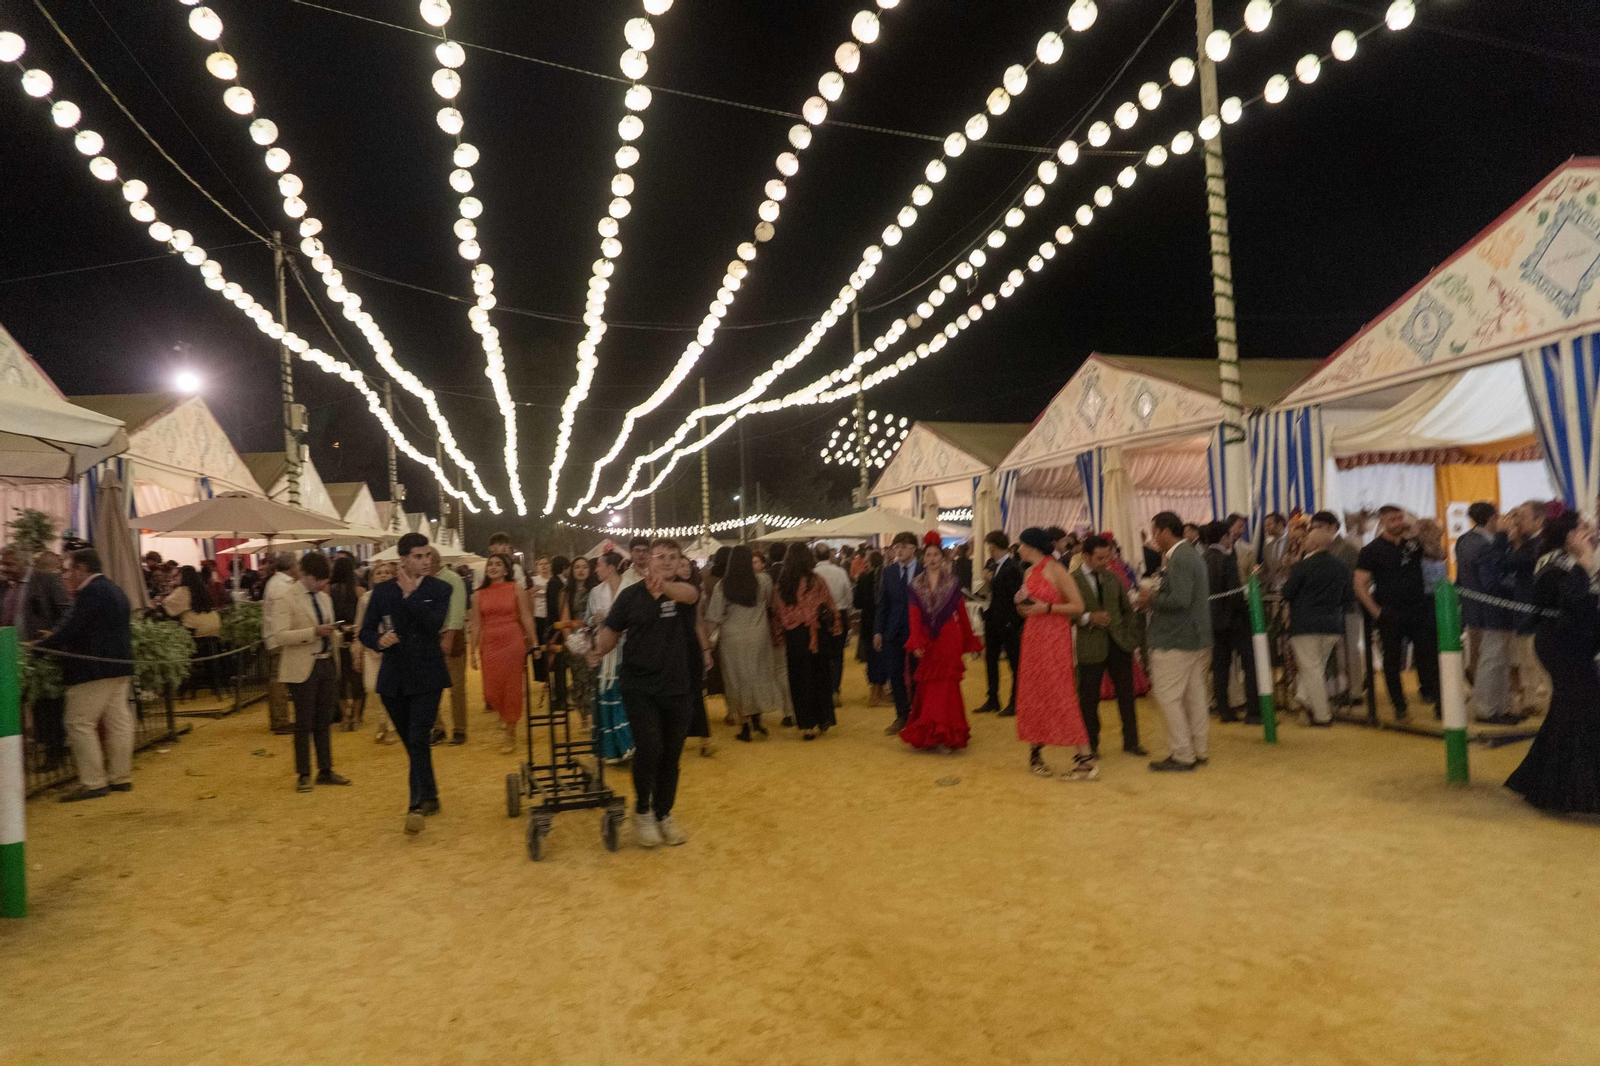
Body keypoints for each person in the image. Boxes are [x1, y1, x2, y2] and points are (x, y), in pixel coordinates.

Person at [588, 539, 699, 848]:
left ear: (679, 563)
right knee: (650, 747)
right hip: (638, 686)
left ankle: (664, 814)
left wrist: (664, 586)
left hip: (677, 686)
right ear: (648, 560)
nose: (666, 561)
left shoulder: (683, 593)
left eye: (672, 557)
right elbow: (611, 631)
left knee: (672, 755)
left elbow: (689, 595)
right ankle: (642, 812)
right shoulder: (630, 596)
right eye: (660, 556)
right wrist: (596, 650)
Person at [1504, 509, 1600, 814]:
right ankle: (1570, 792)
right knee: (1583, 710)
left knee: (1567, 712)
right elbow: (1574, 602)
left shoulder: (1566, 562)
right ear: (1569, 535)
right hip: (1563, 646)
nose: (1591, 530)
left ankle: (1543, 785)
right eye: (1584, 527)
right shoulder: (1554, 565)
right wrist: (1585, 561)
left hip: (1576, 644)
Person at [359, 532, 453, 835]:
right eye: (417, 556)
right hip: (394, 678)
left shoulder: (441, 588)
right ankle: (431, 795)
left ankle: (415, 806)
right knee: (414, 745)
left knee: (417, 738)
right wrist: (378, 639)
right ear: (403, 559)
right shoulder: (382, 591)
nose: (425, 561)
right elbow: (365, 631)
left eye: (427, 555)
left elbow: (433, 624)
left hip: (428, 675)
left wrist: (412, 595)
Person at [37, 549, 134, 801]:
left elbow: (73, 627)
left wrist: (44, 646)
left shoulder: (90, 592)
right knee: (118, 724)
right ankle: (120, 777)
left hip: (93, 669)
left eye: (67, 570)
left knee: (78, 723)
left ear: (82, 568)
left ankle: (93, 782)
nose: (65, 576)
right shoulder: (115, 589)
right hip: (119, 666)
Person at [1012, 528, 1097, 780]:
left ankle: (1086, 761)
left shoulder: (1056, 569)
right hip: (1033, 637)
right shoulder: (1028, 571)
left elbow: (1078, 606)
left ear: (1031, 546)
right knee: (1034, 692)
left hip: (1054, 639)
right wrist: (1022, 605)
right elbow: (1027, 611)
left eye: (1021, 544)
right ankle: (1036, 753)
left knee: (1061, 694)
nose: (1017, 548)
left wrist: (1046, 608)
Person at [266, 551, 350, 793]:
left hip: (325, 662)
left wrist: (339, 635)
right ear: (306, 575)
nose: (323, 584)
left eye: (325, 580)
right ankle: (303, 773)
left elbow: (329, 630)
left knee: (324, 720)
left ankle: (325, 769)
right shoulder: (286, 597)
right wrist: (313, 632)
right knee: (304, 722)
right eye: (319, 579)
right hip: (302, 666)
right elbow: (280, 635)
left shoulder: (324, 599)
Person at [1136, 512, 1214, 772]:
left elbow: (1180, 599)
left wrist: (1150, 599)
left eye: (1154, 532)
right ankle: (1198, 749)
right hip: (1194, 637)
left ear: (1165, 531)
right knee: (1194, 696)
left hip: (1176, 638)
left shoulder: (1179, 557)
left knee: (1168, 697)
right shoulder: (1190, 555)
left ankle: (1183, 753)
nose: (1153, 538)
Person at [1354, 504, 1440, 720]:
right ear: (1383, 521)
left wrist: (1418, 530)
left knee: (1429, 657)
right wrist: (1376, 612)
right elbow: (1360, 584)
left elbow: (1439, 554)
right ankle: (1399, 706)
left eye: (1400, 518)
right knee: (1392, 661)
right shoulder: (1371, 550)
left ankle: (1439, 703)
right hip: (1390, 613)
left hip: (1418, 610)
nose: (1398, 523)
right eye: (1393, 519)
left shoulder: (1412, 544)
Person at [899, 533, 982, 751]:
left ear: (942, 558)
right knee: (928, 686)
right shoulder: (915, 585)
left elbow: (962, 612)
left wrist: (969, 638)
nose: (933, 558)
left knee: (947, 685)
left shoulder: (953, 583)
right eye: (929, 555)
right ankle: (930, 733)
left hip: (949, 639)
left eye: (936, 554)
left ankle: (949, 733)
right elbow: (913, 615)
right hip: (927, 640)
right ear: (923, 558)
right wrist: (915, 641)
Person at [1072, 534, 1146, 756]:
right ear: (1086, 556)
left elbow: (1127, 611)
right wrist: (1087, 618)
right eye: (1100, 558)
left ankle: (1132, 742)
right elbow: (1066, 613)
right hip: (1090, 646)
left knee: (1127, 695)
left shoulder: (1113, 578)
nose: (1105, 562)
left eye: (1108, 557)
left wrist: (1131, 638)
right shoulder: (1072, 579)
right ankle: (1091, 745)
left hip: (1119, 644)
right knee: (1089, 699)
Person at [706, 544, 783, 742]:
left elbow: (714, 616)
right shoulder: (763, 580)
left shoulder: (722, 586)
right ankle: (757, 719)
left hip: (732, 639)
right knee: (758, 676)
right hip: (759, 635)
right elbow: (771, 604)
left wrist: (706, 641)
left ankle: (744, 725)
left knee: (736, 680)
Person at [3, 547, 71, 770]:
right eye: (3, 564)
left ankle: (55, 753)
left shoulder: (45, 581)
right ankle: (29, 751)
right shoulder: (7, 587)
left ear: (24, 563)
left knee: (48, 706)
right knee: (28, 707)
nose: (5, 569)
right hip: (15, 655)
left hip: (43, 655)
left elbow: (66, 611)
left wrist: (52, 636)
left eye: (9, 564)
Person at [1281, 527, 1354, 726]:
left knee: (1311, 670)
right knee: (1316, 668)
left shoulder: (1302, 566)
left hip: (1305, 625)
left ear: (1312, 544)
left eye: (1307, 540)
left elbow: (1287, 592)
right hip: (1333, 625)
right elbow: (1348, 596)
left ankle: (1322, 715)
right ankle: (1302, 699)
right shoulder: (1341, 567)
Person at [1455, 502, 1518, 725]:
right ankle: (1487, 709)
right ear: (1492, 519)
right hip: (1493, 609)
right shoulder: (1486, 545)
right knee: (1493, 660)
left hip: (1476, 608)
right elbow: (1491, 582)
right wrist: (1517, 586)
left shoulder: (1464, 540)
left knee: (1494, 659)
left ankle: (1498, 706)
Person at [471, 552, 538, 753]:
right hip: (489, 642)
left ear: (506, 569)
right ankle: (504, 714)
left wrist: (534, 642)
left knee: (511, 687)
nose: (493, 567)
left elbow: (526, 617)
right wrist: (472, 652)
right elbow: (475, 624)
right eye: (490, 564)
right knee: (490, 691)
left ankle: (511, 733)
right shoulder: (477, 594)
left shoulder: (516, 589)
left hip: (512, 640)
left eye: (498, 564)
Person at [777, 541, 841, 740]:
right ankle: (822, 719)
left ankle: (806, 725)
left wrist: (780, 634)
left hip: (796, 636)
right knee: (820, 677)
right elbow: (829, 604)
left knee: (799, 680)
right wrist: (834, 626)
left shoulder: (783, 584)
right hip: (817, 634)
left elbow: (780, 613)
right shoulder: (816, 581)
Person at [1200, 521, 1260, 724]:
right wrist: (1246, 609)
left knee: (1220, 666)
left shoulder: (1202, 559)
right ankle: (1253, 711)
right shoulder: (1226, 561)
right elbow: (1234, 594)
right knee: (1250, 663)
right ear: (1225, 537)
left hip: (1212, 621)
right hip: (1234, 621)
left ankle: (1224, 710)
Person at [1503, 501, 1552, 717]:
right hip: (1525, 609)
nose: (1518, 520)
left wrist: (1509, 537)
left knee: (1536, 660)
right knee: (1525, 660)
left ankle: (1542, 702)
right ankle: (1532, 700)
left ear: (1539, 520)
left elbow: (1511, 562)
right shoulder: (1530, 542)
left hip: (1534, 610)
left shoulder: (1541, 543)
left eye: (1523, 516)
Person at [586, 551, 635, 762]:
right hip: (606, 649)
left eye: (599, 565)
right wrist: (595, 619)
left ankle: (630, 745)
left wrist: (612, 618)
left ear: (611, 567)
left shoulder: (631, 588)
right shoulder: (596, 592)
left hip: (629, 648)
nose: (596, 569)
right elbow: (588, 620)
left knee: (625, 694)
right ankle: (612, 749)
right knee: (608, 694)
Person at [1310, 510, 1364, 704]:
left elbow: (1353, 580)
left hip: (1348, 608)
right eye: (1314, 528)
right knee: (1335, 653)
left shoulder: (1347, 550)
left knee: (1349, 651)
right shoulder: (1317, 550)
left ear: (1334, 527)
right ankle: (1339, 689)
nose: (1316, 531)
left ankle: (1355, 691)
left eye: (1321, 527)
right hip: (1328, 610)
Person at [874, 531, 920, 735]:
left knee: (918, 674)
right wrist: (878, 631)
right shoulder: (889, 571)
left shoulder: (924, 569)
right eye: (896, 547)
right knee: (895, 674)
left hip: (917, 631)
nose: (898, 550)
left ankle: (919, 715)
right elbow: (882, 604)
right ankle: (902, 715)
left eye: (902, 546)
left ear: (913, 548)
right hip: (893, 631)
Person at [977, 530, 1022, 716]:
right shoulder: (994, 566)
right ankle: (993, 698)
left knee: (1014, 662)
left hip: (1008, 623)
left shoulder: (1011, 568)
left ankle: (1014, 702)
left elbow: (1014, 597)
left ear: (993, 546)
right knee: (990, 660)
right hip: (994, 621)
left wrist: (1012, 622)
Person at [353, 560, 399, 743]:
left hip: (392, 651)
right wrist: (356, 652)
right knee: (371, 687)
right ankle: (383, 721)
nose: (384, 575)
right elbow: (359, 627)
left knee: (388, 690)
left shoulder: (398, 596)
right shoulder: (365, 599)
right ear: (372, 577)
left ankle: (391, 727)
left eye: (388, 572)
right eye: (379, 572)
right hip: (370, 650)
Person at [162, 564, 223, 699]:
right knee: (208, 655)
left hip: (197, 629)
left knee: (178, 649)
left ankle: (183, 687)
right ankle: (215, 685)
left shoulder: (184, 590)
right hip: (214, 625)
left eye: (178, 575)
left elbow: (167, 605)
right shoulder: (201, 588)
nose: (176, 577)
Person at [675, 555, 716, 756]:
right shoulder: (667, 591)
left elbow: (698, 622)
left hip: (691, 646)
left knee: (696, 694)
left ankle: (704, 738)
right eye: (680, 565)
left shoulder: (695, 592)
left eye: (687, 565)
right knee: (676, 695)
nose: (685, 569)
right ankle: (676, 737)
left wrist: (706, 650)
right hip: (672, 648)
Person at [260, 550, 298, 731]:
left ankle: (280, 718)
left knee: (279, 680)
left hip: (276, 637)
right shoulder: (281, 586)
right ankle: (280, 720)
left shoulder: (278, 583)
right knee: (279, 681)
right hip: (279, 639)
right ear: (291, 567)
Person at [813, 543, 853, 707]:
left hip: (819, 617)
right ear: (829, 556)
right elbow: (849, 596)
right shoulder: (840, 572)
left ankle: (824, 691)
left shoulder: (813, 574)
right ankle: (835, 689)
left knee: (821, 655)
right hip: (839, 614)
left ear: (815, 556)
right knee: (837, 656)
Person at [328, 555, 363, 730]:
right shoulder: (358, 591)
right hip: (355, 639)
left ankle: (345, 717)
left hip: (337, 639)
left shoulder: (328, 591)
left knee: (340, 680)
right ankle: (356, 717)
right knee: (357, 680)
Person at [853, 549, 888, 706]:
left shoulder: (863, 579)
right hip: (881, 624)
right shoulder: (884, 579)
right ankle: (876, 695)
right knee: (880, 659)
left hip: (867, 623)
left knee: (872, 659)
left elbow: (857, 603)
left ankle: (876, 693)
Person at [529, 554, 551, 686]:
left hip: (550, 617)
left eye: (546, 564)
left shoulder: (554, 580)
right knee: (538, 647)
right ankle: (542, 677)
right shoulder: (533, 580)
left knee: (550, 646)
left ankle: (551, 674)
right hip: (537, 616)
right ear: (537, 567)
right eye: (541, 564)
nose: (543, 566)